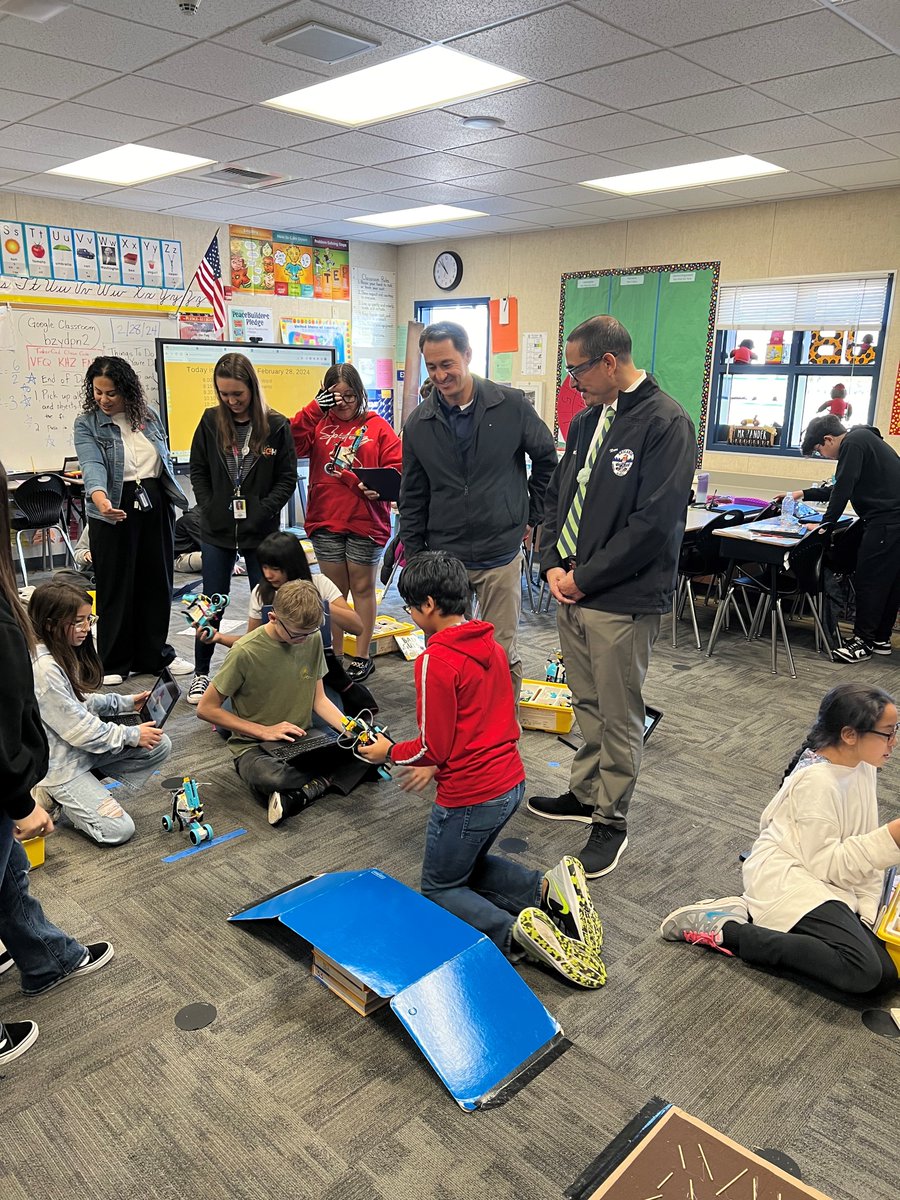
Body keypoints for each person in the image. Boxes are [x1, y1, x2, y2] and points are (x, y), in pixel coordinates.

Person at [356, 551, 606, 988]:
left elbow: (435, 744)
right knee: (466, 863)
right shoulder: (488, 643)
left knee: (439, 887)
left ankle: (517, 936)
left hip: (471, 794)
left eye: (411, 608)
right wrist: (434, 763)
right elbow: (480, 719)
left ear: (429, 605)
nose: (411, 616)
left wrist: (389, 752)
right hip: (510, 781)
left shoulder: (435, 660)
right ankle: (544, 893)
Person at [529, 315, 696, 878]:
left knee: (620, 710)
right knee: (587, 701)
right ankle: (584, 794)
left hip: (620, 595)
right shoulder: (585, 421)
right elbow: (558, 497)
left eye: (577, 369)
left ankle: (611, 820)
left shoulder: (666, 421)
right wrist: (552, 562)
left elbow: (654, 523)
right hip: (571, 587)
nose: (570, 382)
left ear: (609, 362)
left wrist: (587, 577)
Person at [661, 684, 900, 997]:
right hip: (787, 874)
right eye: (888, 733)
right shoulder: (818, 782)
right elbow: (827, 865)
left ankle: (760, 918)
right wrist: (891, 837)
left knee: (886, 974)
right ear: (849, 735)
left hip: (819, 872)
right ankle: (729, 930)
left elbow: (848, 844)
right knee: (862, 970)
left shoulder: (862, 764)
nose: (893, 743)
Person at [0, 460, 113, 1065]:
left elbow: (90, 706)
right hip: (38, 772)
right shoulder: (36, 658)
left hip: (29, 769)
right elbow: (70, 726)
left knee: (11, 876)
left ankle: (44, 959)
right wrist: (23, 802)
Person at [399, 322, 557, 699]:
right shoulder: (419, 423)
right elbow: (413, 495)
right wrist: (415, 556)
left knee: (500, 651)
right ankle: (454, 727)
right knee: (445, 652)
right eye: (431, 367)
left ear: (468, 355)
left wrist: (529, 515)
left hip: (499, 552)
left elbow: (548, 461)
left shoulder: (511, 405)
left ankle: (502, 735)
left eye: (447, 364)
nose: (440, 375)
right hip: (443, 556)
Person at [195, 580, 370, 827]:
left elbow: (319, 700)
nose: (304, 639)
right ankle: (328, 780)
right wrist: (265, 731)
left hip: (303, 737)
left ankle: (306, 791)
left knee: (370, 744)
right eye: (297, 634)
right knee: (271, 778)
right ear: (273, 617)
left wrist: (350, 730)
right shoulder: (245, 651)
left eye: (310, 632)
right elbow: (206, 708)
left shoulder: (312, 637)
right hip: (254, 745)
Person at [73, 356, 191, 685]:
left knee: (157, 581)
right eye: (97, 392)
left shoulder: (149, 417)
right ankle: (113, 661)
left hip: (154, 499)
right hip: (112, 503)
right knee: (115, 585)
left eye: (111, 393)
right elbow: (92, 466)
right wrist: (102, 501)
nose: (103, 399)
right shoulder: (87, 425)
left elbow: (161, 461)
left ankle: (154, 655)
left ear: (127, 391)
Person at [188, 352, 298, 703]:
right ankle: (202, 673)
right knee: (210, 602)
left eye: (238, 394)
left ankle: (266, 669)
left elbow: (287, 478)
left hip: (259, 531)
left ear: (252, 387)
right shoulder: (209, 421)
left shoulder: (276, 425)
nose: (231, 401)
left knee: (265, 601)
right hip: (217, 530)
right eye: (224, 394)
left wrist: (263, 511)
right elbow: (199, 471)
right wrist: (209, 507)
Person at [29, 581, 171, 846]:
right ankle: (53, 793)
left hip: (75, 751)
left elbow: (79, 703)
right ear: (50, 623)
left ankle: (80, 791)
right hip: (60, 765)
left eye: (88, 619)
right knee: (118, 830)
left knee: (158, 743)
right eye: (79, 621)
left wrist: (125, 703)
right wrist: (130, 734)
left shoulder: (59, 651)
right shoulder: (45, 669)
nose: (86, 628)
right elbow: (81, 731)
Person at [291, 363, 402, 682]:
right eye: (334, 396)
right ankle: (335, 653)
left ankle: (363, 655)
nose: (343, 402)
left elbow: (397, 469)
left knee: (363, 587)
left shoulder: (378, 426)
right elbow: (291, 441)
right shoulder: (316, 422)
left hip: (366, 519)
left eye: (350, 395)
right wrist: (314, 408)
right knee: (334, 592)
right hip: (326, 517)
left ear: (360, 394)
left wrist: (376, 486)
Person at [203, 530, 375, 713]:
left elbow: (356, 626)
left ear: (292, 565)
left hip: (314, 666)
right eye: (265, 567)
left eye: (275, 569)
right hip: (273, 666)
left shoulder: (319, 583)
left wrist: (314, 603)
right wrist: (218, 637)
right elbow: (250, 641)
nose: (268, 575)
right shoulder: (262, 593)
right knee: (238, 710)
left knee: (327, 712)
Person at [793, 415, 900, 662]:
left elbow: (842, 490)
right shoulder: (864, 439)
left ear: (828, 439)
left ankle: (862, 642)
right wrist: (803, 493)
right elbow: (842, 486)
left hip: (886, 522)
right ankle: (880, 639)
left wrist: (823, 528)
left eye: (820, 450)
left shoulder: (853, 443)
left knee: (870, 581)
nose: (824, 455)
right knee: (888, 582)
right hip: (890, 521)